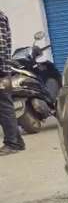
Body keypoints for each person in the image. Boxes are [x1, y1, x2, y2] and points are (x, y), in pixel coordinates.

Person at [0, 8, 25, 155]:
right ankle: (17, 142)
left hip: (1, 71)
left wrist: (1, 72)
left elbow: (1, 47)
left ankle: (12, 143)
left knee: (4, 107)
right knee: (5, 107)